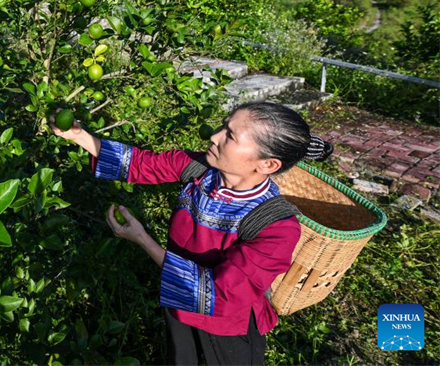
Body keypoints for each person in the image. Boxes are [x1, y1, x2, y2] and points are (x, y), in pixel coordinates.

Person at [50, 101, 334, 365]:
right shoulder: (200, 169)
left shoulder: (277, 227)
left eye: (230, 136)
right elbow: (142, 164)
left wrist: (143, 240)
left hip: (226, 327)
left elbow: (223, 294)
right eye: (223, 125)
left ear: (267, 164)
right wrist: (79, 136)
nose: (215, 136)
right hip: (180, 304)